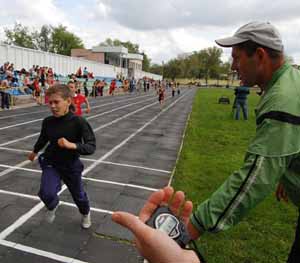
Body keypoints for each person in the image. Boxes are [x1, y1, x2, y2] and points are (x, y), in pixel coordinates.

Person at [114, 21, 300, 263]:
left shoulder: (282, 99)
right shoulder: (290, 82)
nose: (233, 66)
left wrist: (185, 232)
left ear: (261, 55)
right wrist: (287, 169)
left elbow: (252, 180)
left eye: (237, 57)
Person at [28, 84, 96, 228]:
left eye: (56, 102)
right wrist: (34, 151)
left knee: (79, 196)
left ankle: (85, 213)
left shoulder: (79, 122)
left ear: (68, 101)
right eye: (50, 102)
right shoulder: (48, 121)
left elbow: (91, 146)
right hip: (51, 162)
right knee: (46, 193)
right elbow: (43, 138)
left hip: (71, 165)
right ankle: (52, 206)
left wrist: (73, 145)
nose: (52, 106)